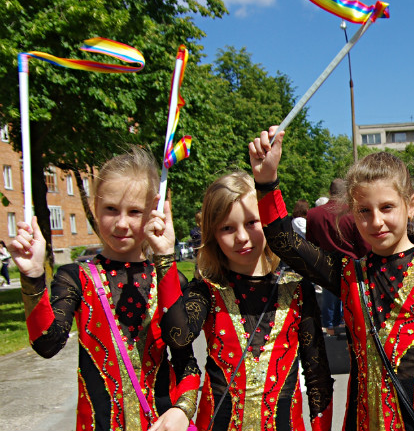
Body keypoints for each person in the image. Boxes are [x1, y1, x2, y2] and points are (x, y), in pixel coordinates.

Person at [249, 127, 414, 431]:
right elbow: (285, 242)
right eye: (364, 211)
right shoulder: (350, 274)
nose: (376, 221)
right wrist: (266, 181)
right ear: (352, 212)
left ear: (411, 205)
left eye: (387, 207)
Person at [8, 147, 198, 431]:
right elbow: (47, 344)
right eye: (111, 209)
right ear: (95, 208)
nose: (122, 223)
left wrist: (183, 409)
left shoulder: (169, 279)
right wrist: (33, 278)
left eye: (134, 212)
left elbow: (186, 361)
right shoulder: (75, 277)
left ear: (153, 214)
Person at [146, 171, 333, 431]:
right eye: (227, 228)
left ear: (267, 222)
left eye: (251, 223)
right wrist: (165, 257)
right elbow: (178, 337)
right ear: (212, 234)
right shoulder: (206, 291)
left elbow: (317, 377)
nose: (242, 237)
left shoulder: (297, 290)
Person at [306, 179, 370, 336]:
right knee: (354, 301)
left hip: (326, 263)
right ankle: (353, 328)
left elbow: (310, 244)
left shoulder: (314, 214)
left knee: (329, 298)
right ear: (346, 193)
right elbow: (363, 244)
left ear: (329, 193)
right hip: (352, 264)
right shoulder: (353, 212)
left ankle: (330, 328)